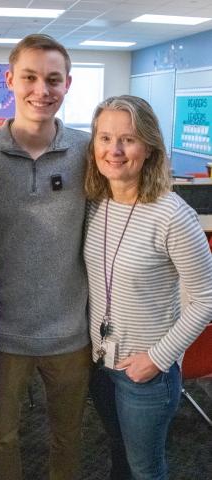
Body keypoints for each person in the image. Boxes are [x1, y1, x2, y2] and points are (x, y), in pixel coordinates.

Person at [84, 95, 212, 480]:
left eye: (128, 139)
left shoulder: (172, 214)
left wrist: (159, 358)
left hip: (146, 374)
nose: (115, 150)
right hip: (99, 365)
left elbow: (207, 298)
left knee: (146, 468)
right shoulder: (95, 202)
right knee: (119, 454)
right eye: (105, 138)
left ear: (149, 146)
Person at [0, 34, 91, 480]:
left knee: (68, 436)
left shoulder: (89, 151)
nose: (41, 90)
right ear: (10, 80)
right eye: (29, 77)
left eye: (53, 79)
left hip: (71, 331)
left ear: (68, 85)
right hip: (3, 332)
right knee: (2, 437)